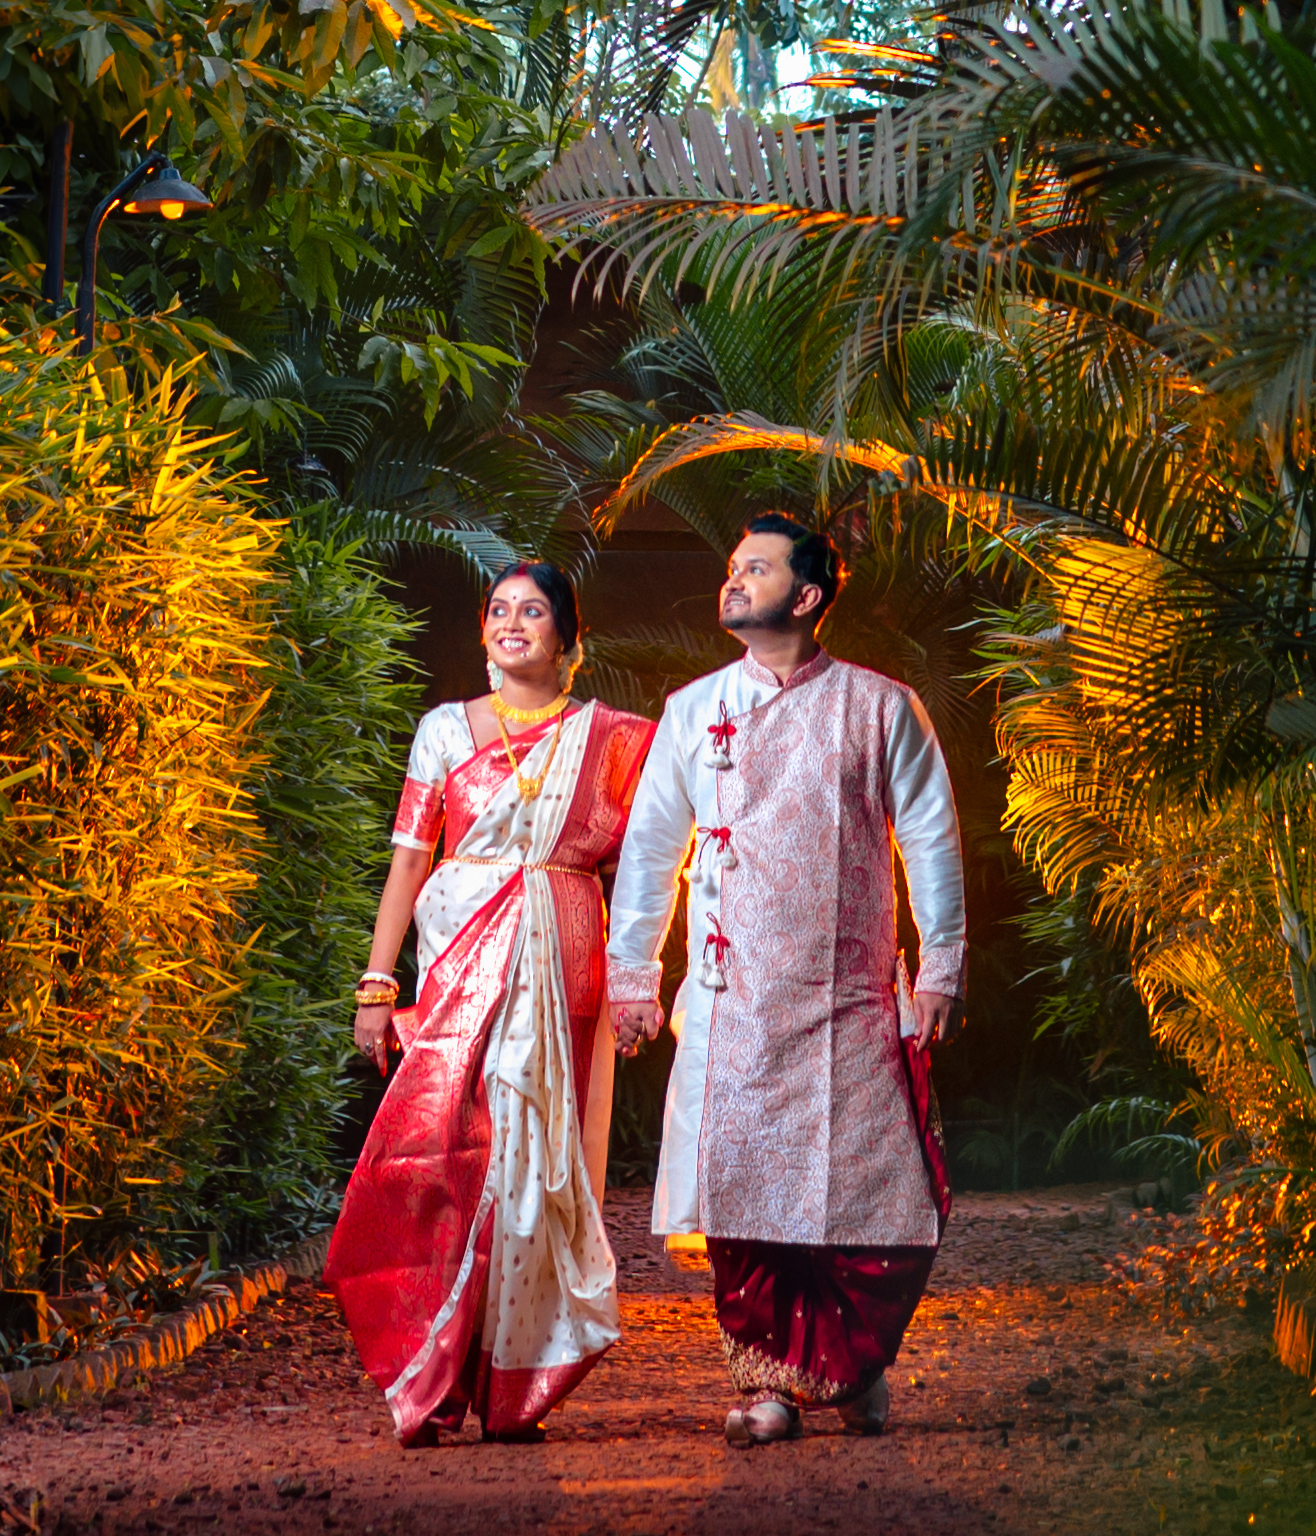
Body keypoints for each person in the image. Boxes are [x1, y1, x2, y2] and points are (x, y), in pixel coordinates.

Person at [604, 509, 964, 1446]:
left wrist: (941, 965)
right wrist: (633, 977)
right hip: (734, 1004)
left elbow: (930, 838)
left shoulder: (881, 707)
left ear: (805, 597)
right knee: (744, 1203)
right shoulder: (693, 710)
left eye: (755, 568)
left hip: (848, 1002)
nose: (733, 580)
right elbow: (651, 851)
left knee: (871, 1204)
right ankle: (767, 1386)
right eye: (733, 565)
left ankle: (855, 1368)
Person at [325, 561, 654, 1447]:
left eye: (533, 611)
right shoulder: (443, 729)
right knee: (442, 1152)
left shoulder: (613, 741)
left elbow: (649, 859)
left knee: (533, 1160)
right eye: (499, 610)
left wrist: (642, 977)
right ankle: (430, 1370)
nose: (512, 623)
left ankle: (512, 1382)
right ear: (481, 631)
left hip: (562, 953)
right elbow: (409, 858)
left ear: (568, 639)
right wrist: (377, 983)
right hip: (459, 956)